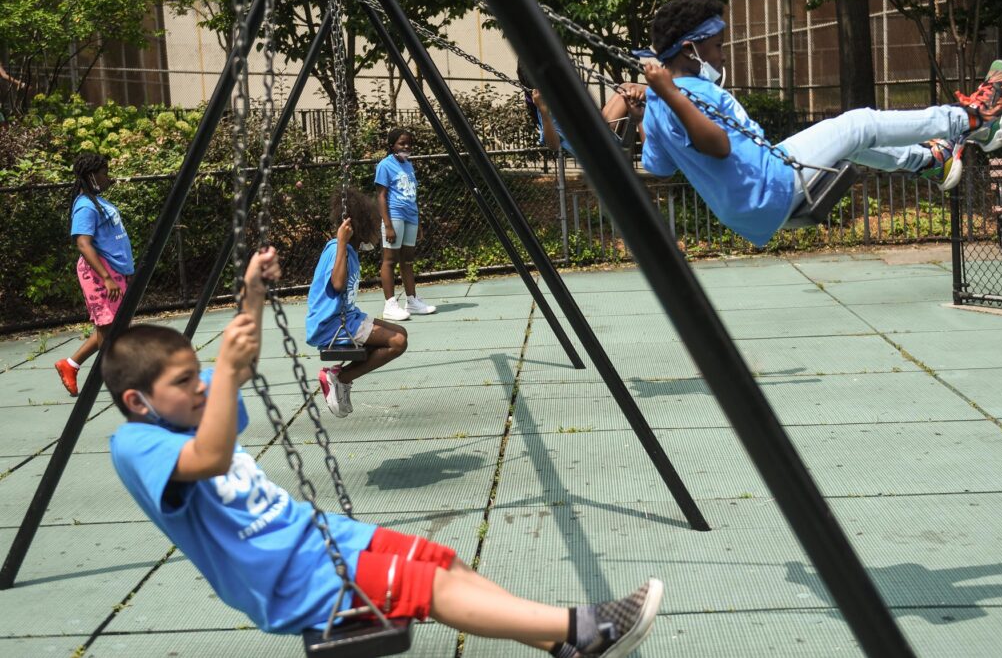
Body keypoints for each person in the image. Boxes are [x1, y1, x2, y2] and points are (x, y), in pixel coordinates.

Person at [104, 247, 663, 657]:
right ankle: (582, 628)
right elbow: (210, 459)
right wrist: (224, 372)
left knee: (441, 562)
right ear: (139, 400)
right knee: (433, 589)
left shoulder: (193, 402)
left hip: (314, 534)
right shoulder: (138, 444)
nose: (201, 386)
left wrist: (252, 293)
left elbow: (239, 365)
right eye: (185, 382)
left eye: (198, 377)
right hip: (282, 574)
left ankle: (558, 645)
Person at [637, 0, 1002, 247]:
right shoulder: (678, 94)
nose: (722, 56)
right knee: (860, 124)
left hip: (755, 196)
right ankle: (974, 119)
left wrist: (641, 110)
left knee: (855, 142)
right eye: (717, 47)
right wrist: (668, 92)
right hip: (769, 185)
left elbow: (658, 166)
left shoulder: (656, 100)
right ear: (690, 49)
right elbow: (717, 145)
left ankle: (930, 162)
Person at [305, 191, 408, 417]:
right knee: (397, 342)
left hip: (349, 318)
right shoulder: (337, 249)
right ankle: (339, 378)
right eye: (373, 224)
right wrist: (342, 243)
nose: (376, 231)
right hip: (330, 326)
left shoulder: (350, 249)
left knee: (401, 332)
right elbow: (338, 283)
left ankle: (339, 377)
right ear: (361, 225)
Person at [54, 152, 135, 397]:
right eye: (104, 173)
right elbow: (83, 243)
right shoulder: (85, 206)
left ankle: (70, 364)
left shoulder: (99, 202)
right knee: (110, 327)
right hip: (99, 273)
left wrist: (125, 273)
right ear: (91, 175)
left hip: (115, 271)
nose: (108, 178)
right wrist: (107, 278)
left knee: (114, 326)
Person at [517, 64, 647, 156]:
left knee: (625, 87)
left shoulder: (554, 97)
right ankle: (665, 91)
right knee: (630, 89)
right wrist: (544, 113)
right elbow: (553, 145)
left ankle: (664, 91)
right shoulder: (545, 107)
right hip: (597, 145)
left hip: (598, 130)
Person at [374, 127, 435, 321]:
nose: (406, 146)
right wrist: (388, 225)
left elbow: (411, 193)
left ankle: (412, 300)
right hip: (394, 214)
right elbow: (381, 196)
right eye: (402, 143)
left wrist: (418, 223)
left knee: (408, 260)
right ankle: (390, 304)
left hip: (411, 216)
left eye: (409, 143)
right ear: (392, 145)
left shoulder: (408, 164)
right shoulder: (385, 165)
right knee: (390, 259)